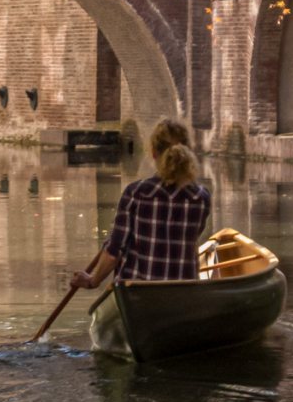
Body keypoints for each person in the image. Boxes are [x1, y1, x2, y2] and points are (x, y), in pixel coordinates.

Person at [69, 118, 210, 356]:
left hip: (137, 296)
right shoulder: (201, 197)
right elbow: (191, 238)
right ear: (188, 151)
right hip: (182, 296)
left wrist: (92, 281)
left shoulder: (137, 193)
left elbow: (114, 251)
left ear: (153, 153)